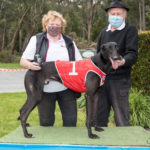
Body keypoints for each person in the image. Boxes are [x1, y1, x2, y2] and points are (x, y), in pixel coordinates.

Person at [20, 10, 82, 127]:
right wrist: (30, 65)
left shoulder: (69, 42)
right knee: (46, 123)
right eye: (51, 25)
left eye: (58, 25)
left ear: (62, 27)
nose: (55, 27)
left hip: (67, 88)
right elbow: (23, 61)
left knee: (71, 122)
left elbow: (79, 63)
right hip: (44, 90)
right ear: (45, 25)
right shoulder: (37, 40)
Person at [96, 0, 138, 126]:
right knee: (99, 116)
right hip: (102, 79)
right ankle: (99, 142)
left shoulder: (130, 30)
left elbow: (133, 54)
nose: (115, 16)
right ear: (109, 15)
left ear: (124, 15)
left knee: (121, 117)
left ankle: (124, 145)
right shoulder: (104, 32)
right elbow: (98, 54)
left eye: (118, 14)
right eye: (113, 13)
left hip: (119, 80)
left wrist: (122, 61)